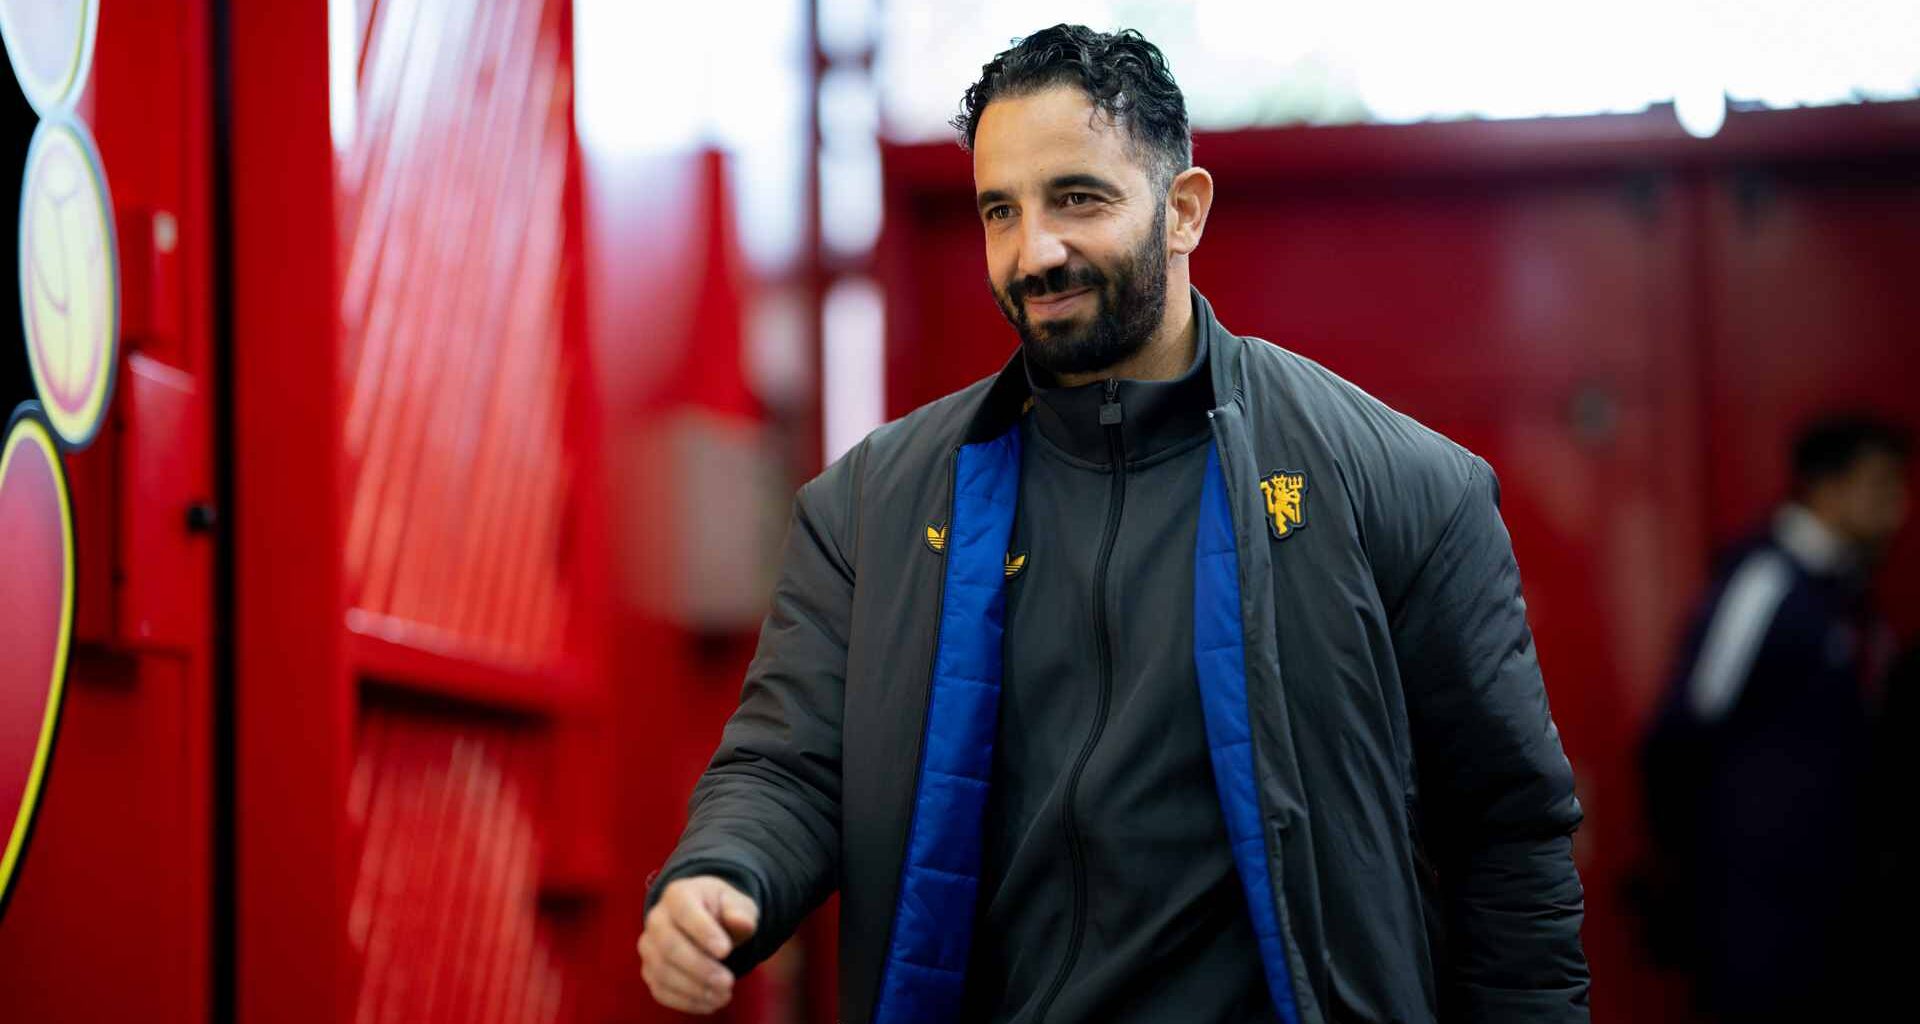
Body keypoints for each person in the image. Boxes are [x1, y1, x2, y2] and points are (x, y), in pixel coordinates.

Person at [638, 24, 1587, 1024]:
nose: (1034, 252)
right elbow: (788, 767)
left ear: (1183, 210)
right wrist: (721, 871)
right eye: (1001, 211)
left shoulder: (1404, 487)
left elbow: (1509, 837)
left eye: (1077, 199)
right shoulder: (870, 511)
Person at [1642, 414, 1910, 1022]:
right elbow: (1683, 727)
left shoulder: (1850, 594)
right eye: (1880, 486)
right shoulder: (1765, 580)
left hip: (1834, 898)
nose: (1897, 508)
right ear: (1826, 487)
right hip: (1756, 905)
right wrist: (1692, 871)